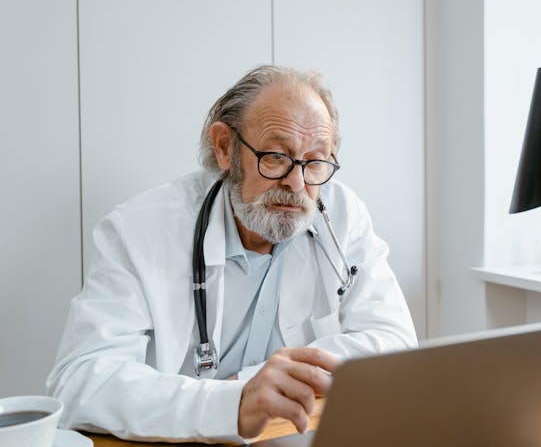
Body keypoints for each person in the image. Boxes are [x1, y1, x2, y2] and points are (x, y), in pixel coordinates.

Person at [47, 65, 417, 443]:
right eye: (276, 156)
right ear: (225, 147)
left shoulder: (341, 213)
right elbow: (80, 380)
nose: (297, 182)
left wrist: (267, 381)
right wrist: (232, 403)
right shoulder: (138, 231)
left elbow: (395, 343)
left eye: (316, 160)